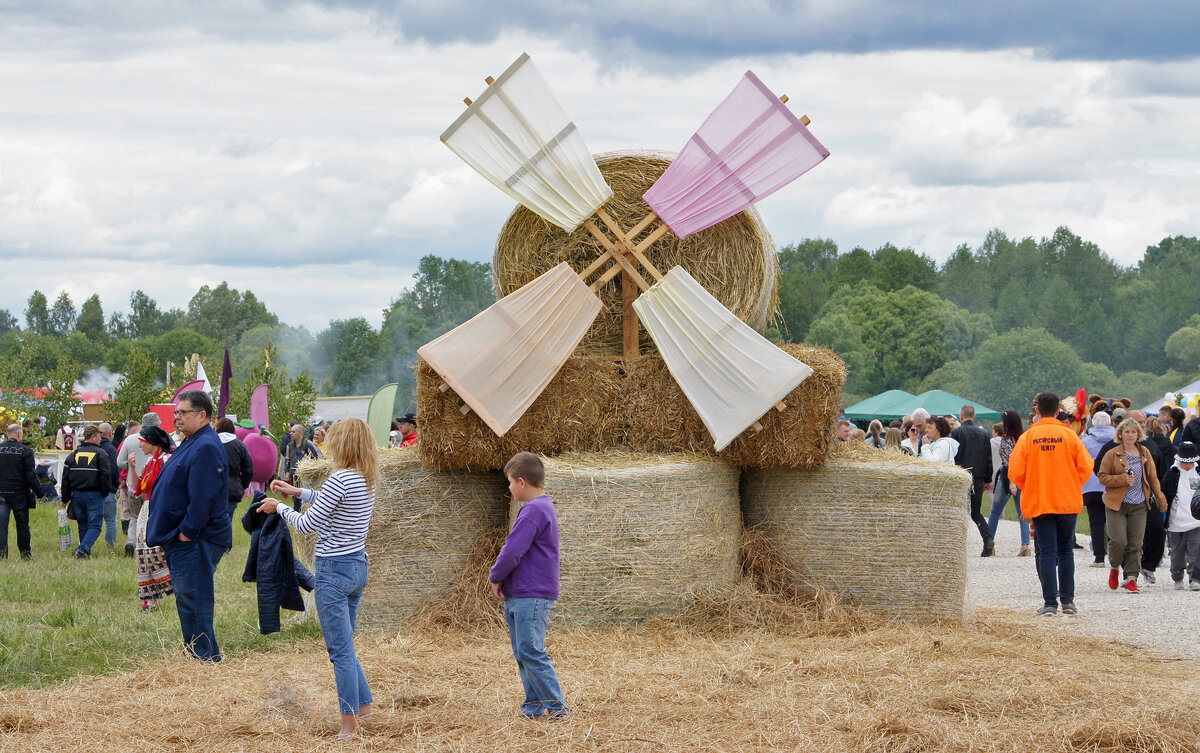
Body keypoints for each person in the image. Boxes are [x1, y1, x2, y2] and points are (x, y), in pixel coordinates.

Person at [263, 418, 378, 740]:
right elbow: (333, 504)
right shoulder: (366, 479)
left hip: (333, 570)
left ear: (344, 445)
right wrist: (298, 491)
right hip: (357, 567)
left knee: (339, 652)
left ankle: (349, 727)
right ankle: (365, 709)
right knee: (346, 646)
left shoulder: (339, 479)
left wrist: (279, 508)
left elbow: (306, 525)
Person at [146, 390, 232, 662]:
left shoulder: (205, 445)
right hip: (189, 538)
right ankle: (199, 653)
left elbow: (203, 497)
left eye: (183, 412)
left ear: (202, 415)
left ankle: (204, 658)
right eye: (176, 413)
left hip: (196, 539)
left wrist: (187, 532)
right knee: (189, 599)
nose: (177, 417)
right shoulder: (194, 441)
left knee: (193, 599)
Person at [490, 452, 569, 720]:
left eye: (511, 482)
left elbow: (512, 550)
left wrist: (496, 575)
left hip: (530, 593)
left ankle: (557, 707)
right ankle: (533, 705)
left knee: (531, 651)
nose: (510, 488)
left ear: (522, 482)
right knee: (523, 652)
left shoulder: (533, 511)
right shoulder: (542, 508)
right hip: (523, 592)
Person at [1007, 392, 1093, 617]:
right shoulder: (1069, 435)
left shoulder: (1028, 437)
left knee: (1046, 552)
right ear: (1058, 411)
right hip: (1067, 500)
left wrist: (1032, 485)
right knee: (1066, 551)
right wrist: (1072, 482)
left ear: (1037, 411)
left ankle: (1049, 604)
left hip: (1040, 500)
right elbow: (1086, 466)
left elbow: (1015, 472)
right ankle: (1068, 601)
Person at [1097, 418, 1167, 593]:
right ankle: (1114, 568)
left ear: (1139, 434)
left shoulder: (1145, 453)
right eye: (1126, 431)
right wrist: (1122, 479)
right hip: (1116, 503)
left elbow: (1153, 477)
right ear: (1120, 434)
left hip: (1139, 503)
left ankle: (1131, 578)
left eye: (1134, 432)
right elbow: (1102, 476)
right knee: (1119, 540)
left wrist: (1159, 498)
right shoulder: (1112, 454)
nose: (1130, 435)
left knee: (1136, 543)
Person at [60, 424, 116, 559]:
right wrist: (104, 492)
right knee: (95, 526)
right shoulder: (101, 454)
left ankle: (85, 552)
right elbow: (106, 475)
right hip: (94, 494)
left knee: (82, 524)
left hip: (77, 495)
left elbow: (65, 479)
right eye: (99, 436)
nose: (101, 439)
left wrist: (65, 498)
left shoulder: (73, 455)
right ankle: (82, 549)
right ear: (93, 437)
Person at [135, 425, 175, 611]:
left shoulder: (166, 460)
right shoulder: (150, 462)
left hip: (161, 507)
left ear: (153, 442)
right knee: (144, 553)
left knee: (157, 551)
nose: (141, 445)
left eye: (143, 442)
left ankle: (180, 589)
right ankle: (151, 599)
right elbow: (139, 489)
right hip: (148, 508)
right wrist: (134, 467)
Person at [951, 405, 995, 557]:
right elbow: (988, 458)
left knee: (960, 511)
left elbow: (954, 457)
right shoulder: (984, 433)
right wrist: (988, 478)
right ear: (974, 416)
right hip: (979, 477)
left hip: (962, 476)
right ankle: (988, 538)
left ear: (961, 416)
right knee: (976, 512)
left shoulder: (956, 433)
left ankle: (957, 546)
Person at [987, 410, 1030, 556]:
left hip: (1008, 478)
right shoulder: (1024, 438)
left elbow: (1010, 461)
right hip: (1023, 478)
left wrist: (1012, 482)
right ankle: (1025, 545)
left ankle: (989, 544)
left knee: (995, 512)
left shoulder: (1005, 440)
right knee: (1022, 513)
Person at [0, 423, 45, 559]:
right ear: (19, 434)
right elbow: (31, 476)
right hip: (19, 495)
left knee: (1, 527)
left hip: (1, 494)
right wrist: (40, 494)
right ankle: (25, 554)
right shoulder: (25, 451)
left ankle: (2, 555)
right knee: (22, 526)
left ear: (7, 434)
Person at [1160, 441, 1200, 590]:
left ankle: (1195, 578)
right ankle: (1177, 576)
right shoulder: (1172, 473)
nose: (1186, 465)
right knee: (1177, 553)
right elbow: (1164, 495)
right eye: (1183, 462)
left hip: (1196, 521)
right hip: (1176, 522)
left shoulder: (1198, 472)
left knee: (1196, 551)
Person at [1080, 411, 1116, 568]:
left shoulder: (1086, 442)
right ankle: (1115, 555)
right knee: (1114, 521)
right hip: (1112, 485)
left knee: (1096, 522)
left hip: (1091, 486)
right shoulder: (1116, 440)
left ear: (1093, 424)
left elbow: (1081, 463)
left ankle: (1099, 557)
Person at [216, 417, 254, 526]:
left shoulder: (211, 443)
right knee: (227, 522)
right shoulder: (240, 445)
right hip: (232, 489)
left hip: (212, 489)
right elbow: (249, 469)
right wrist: (242, 486)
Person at [280, 423, 321, 509]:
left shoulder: (308, 444)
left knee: (305, 498)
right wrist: (287, 471)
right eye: (290, 432)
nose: (291, 433)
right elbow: (287, 459)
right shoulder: (290, 445)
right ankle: (297, 514)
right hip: (294, 476)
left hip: (306, 477)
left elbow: (319, 457)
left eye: (293, 432)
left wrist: (311, 469)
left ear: (300, 433)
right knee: (296, 498)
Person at [115, 419, 142, 546]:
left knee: (130, 512)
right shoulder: (147, 441)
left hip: (128, 482)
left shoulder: (124, 443)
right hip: (141, 482)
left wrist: (123, 477)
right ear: (136, 430)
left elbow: (120, 462)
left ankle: (129, 537)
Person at [98, 422, 121, 550]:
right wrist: (115, 486)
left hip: (93, 490)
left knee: (91, 522)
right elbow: (114, 469)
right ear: (110, 434)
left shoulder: (91, 448)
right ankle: (110, 547)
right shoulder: (111, 449)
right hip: (108, 491)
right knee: (111, 521)